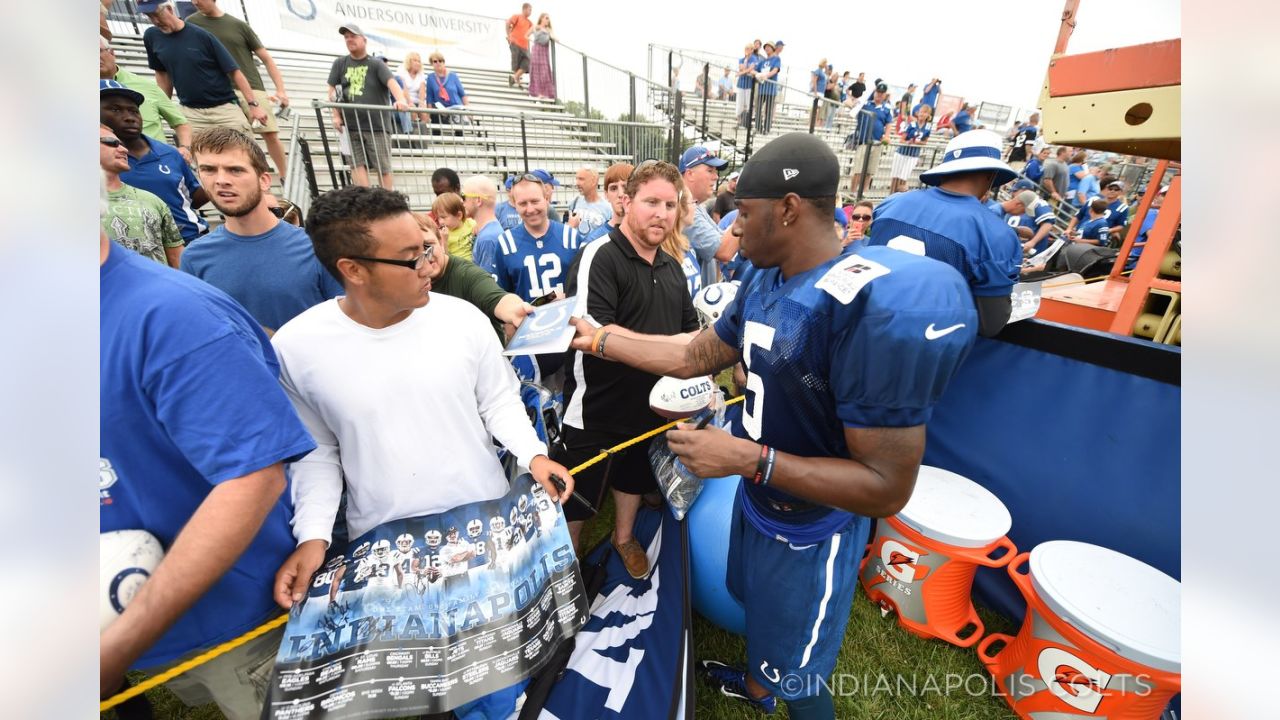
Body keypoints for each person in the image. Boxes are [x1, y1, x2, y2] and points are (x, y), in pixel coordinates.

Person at [565, 133, 977, 719]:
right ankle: (758, 687)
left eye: (745, 213)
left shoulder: (870, 309)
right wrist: (606, 338)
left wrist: (750, 460)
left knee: (803, 678)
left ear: (788, 208)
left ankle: (782, 691)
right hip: (758, 502)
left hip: (811, 528)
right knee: (755, 609)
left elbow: (887, 486)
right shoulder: (766, 275)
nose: (732, 229)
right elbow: (695, 353)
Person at [269, 185, 574, 720]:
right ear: (353, 268)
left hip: (486, 528)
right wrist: (314, 535)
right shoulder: (298, 348)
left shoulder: (462, 319)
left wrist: (533, 455)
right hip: (386, 545)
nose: (431, 266)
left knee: (495, 676)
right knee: (429, 680)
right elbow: (317, 453)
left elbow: (499, 402)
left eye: (429, 248)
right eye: (413, 258)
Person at [100, 172, 316, 719]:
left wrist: (113, 648)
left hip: (233, 624)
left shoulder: (173, 316)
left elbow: (254, 475)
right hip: (127, 618)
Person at [554, 161, 700, 577]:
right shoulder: (599, 254)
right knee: (579, 495)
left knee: (633, 475)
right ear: (626, 201)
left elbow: (693, 332)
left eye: (670, 204)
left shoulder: (672, 267)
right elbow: (594, 334)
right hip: (596, 403)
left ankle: (623, 537)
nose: (662, 213)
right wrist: (673, 346)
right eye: (651, 201)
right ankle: (567, 566)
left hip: (649, 403)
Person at [181, 128, 342, 333]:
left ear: (264, 180)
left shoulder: (318, 247)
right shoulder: (194, 257)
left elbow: (348, 325)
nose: (221, 180)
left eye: (235, 170)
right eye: (209, 170)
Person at [866, 129, 1023, 337]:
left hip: (864, 327)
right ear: (990, 174)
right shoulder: (996, 233)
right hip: (927, 346)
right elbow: (989, 324)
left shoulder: (890, 203)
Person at [187, 0, 291, 179]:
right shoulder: (190, 24)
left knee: (270, 134)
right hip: (219, 93)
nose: (195, 2)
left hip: (252, 87)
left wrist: (281, 90)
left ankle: (285, 177)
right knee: (234, 141)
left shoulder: (238, 25)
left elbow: (266, 58)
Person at [101, 79, 210, 246]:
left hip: (192, 242)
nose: (129, 117)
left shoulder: (169, 153)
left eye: (134, 111)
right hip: (137, 249)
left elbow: (193, 197)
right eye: (115, 110)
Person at [136, 1, 266, 135]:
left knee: (244, 153)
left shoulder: (202, 35)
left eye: (157, 14)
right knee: (193, 155)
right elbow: (162, 74)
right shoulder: (151, 36)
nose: (155, 21)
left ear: (169, 9)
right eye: (149, 16)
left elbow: (234, 72)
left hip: (224, 109)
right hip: (191, 113)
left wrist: (253, 105)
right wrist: (163, 106)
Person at [416, 211, 532, 337]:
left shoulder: (465, 274)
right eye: (415, 250)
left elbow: (494, 296)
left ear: (441, 242)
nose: (426, 254)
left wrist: (515, 310)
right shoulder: (406, 282)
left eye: (428, 245)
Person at [327, 23, 410, 189]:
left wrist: (401, 100)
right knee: (356, 165)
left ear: (364, 40)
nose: (349, 39)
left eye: (353, 36)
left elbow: (392, 83)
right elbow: (332, 91)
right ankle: (365, 204)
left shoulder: (376, 64)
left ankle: (387, 205)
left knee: (383, 168)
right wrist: (336, 115)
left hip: (376, 125)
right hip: (350, 126)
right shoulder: (340, 64)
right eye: (346, 37)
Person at [479, 174, 584, 302]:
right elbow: (501, 297)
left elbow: (584, 288)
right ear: (515, 205)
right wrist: (550, 298)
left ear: (546, 199)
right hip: (526, 321)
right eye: (523, 203)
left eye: (535, 201)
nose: (530, 209)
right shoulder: (506, 243)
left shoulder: (572, 237)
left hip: (569, 320)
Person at [101, 124, 185, 268]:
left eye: (121, 144)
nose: (123, 149)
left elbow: (176, 257)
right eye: (111, 143)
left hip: (154, 288)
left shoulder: (152, 200)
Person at [100, 37, 192, 160]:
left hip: (159, 161)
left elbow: (181, 123)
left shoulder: (147, 85)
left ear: (112, 53)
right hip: (111, 163)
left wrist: (185, 148)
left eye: (98, 51)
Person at [680, 145, 730, 287]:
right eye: (710, 170)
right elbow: (724, 251)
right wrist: (745, 215)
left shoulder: (697, 206)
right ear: (690, 174)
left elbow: (723, 240)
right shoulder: (684, 208)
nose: (716, 177)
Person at [849, 82, 894, 196]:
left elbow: (888, 123)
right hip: (863, 141)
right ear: (874, 92)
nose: (879, 95)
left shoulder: (887, 108)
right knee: (858, 170)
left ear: (885, 95)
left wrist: (887, 136)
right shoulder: (864, 104)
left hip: (877, 143)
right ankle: (852, 192)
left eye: (882, 93)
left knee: (870, 171)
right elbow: (850, 104)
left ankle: (863, 192)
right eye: (878, 92)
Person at [580, 162, 633, 244]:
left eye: (625, 187)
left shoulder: (649, 236)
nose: (620, 194)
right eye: (614, 188)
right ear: (606, 195)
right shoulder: (593, 241)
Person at [422, 52, 470, 136]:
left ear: (444, 62)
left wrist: (468, 110)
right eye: (435, 61)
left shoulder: (453, 76)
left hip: (455, 107)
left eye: (440, 61)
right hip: (440, 108)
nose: (438, 63)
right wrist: (427, 114)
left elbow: (462, 94)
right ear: (432, 64)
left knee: (458, 113)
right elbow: (429, 97)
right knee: (434, 110)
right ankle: (436, 136)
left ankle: (459, 138)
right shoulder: (430, 78)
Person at [464, 175, 506, 269]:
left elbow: (487, 282)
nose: (462, 203)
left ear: (478, 200)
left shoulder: (488, 238)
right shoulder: (488, 232)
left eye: (464, 197)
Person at [890, 105, 932, 194]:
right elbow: (901, 139)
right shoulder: (911, 124)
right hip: (902, 153)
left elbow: (925, 142)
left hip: (913, 155)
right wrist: (908, 142)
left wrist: (917, 143)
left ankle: (899, 197)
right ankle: (891, 195)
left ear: (928, 115)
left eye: (924, 112)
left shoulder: (928, 127)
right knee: (895, 176)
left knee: (903, 177)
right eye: (921, 111)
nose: (921, 114)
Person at [566, 167, 613, 237]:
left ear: (593, 181)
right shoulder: (574, 202)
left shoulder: (608, 208)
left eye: (581, 179)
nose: (577, 183)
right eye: (576, 179)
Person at [432, 191, 476, 259]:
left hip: (474, 265)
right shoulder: (443, 234)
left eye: (443, 217)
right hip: (458, 267)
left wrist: (478, 228)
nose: (440, 222)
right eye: (438, 218)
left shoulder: (471, 224)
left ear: (459, 215)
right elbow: (445, 259)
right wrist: (444, 242)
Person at [754, 41, 783, 134]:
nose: (767, 49)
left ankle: (766, 129)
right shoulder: (762, 61)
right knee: (758, 108)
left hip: (770, 90)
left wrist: (766, 76)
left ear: (773, 48)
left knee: (768, 110)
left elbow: (775, 70)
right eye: (765, 47)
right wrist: (758, 75)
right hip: (762, 89)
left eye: (769, 47)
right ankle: (758, 127)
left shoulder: (776, 59)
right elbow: (755, 70)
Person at [506, 3, 533, 87]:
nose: (530, 12)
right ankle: (517, 81)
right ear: (524, 9)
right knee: (516, 63)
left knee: (527, 62)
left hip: (524, 46)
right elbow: (507, 23)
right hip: (515, 43)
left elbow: (534, 30)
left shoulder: (530, 22)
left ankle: (514, 78)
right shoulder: (517, 16)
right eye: (529, 10)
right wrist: (509, 35)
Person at [735, 43, 757, 128]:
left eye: (749, 49)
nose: (747, 50)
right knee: (739, 103)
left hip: (749, 85)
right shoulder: (741, 59)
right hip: (741, 84)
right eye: (746, 48)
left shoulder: (754, 59)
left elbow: (751, 69)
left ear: (752, 50)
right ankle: (738, 121)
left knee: (748, 104)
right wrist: (747, 71)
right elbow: (744, 68)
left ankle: (747, 122)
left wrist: (740, 73)